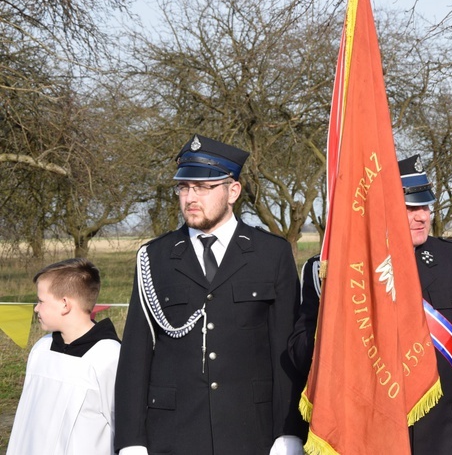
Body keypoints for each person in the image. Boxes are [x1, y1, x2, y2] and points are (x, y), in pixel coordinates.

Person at [288, 154, 452, 454]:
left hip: (450, 442)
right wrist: (338, 305)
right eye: (409, 208)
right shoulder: (329, 271)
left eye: (426, 205)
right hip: (366, 440)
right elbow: (300, 357)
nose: (422, 216)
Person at [115, 134, 304, 455]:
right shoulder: (155, 257)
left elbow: (284, 352)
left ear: (233, 191)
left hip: (250, 430)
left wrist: (289, 432)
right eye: (184, 187)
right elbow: (135, 355)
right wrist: (131, 441)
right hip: (173, 433)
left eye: (203, 187)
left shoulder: (271, 254)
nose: (190, 197)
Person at [7, 258, 120, 455]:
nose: (36, 308)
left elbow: (125, 428)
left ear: (65, 304)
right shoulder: (41, 349)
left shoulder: (109, 357)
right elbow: (24, 424)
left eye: (41, 301)